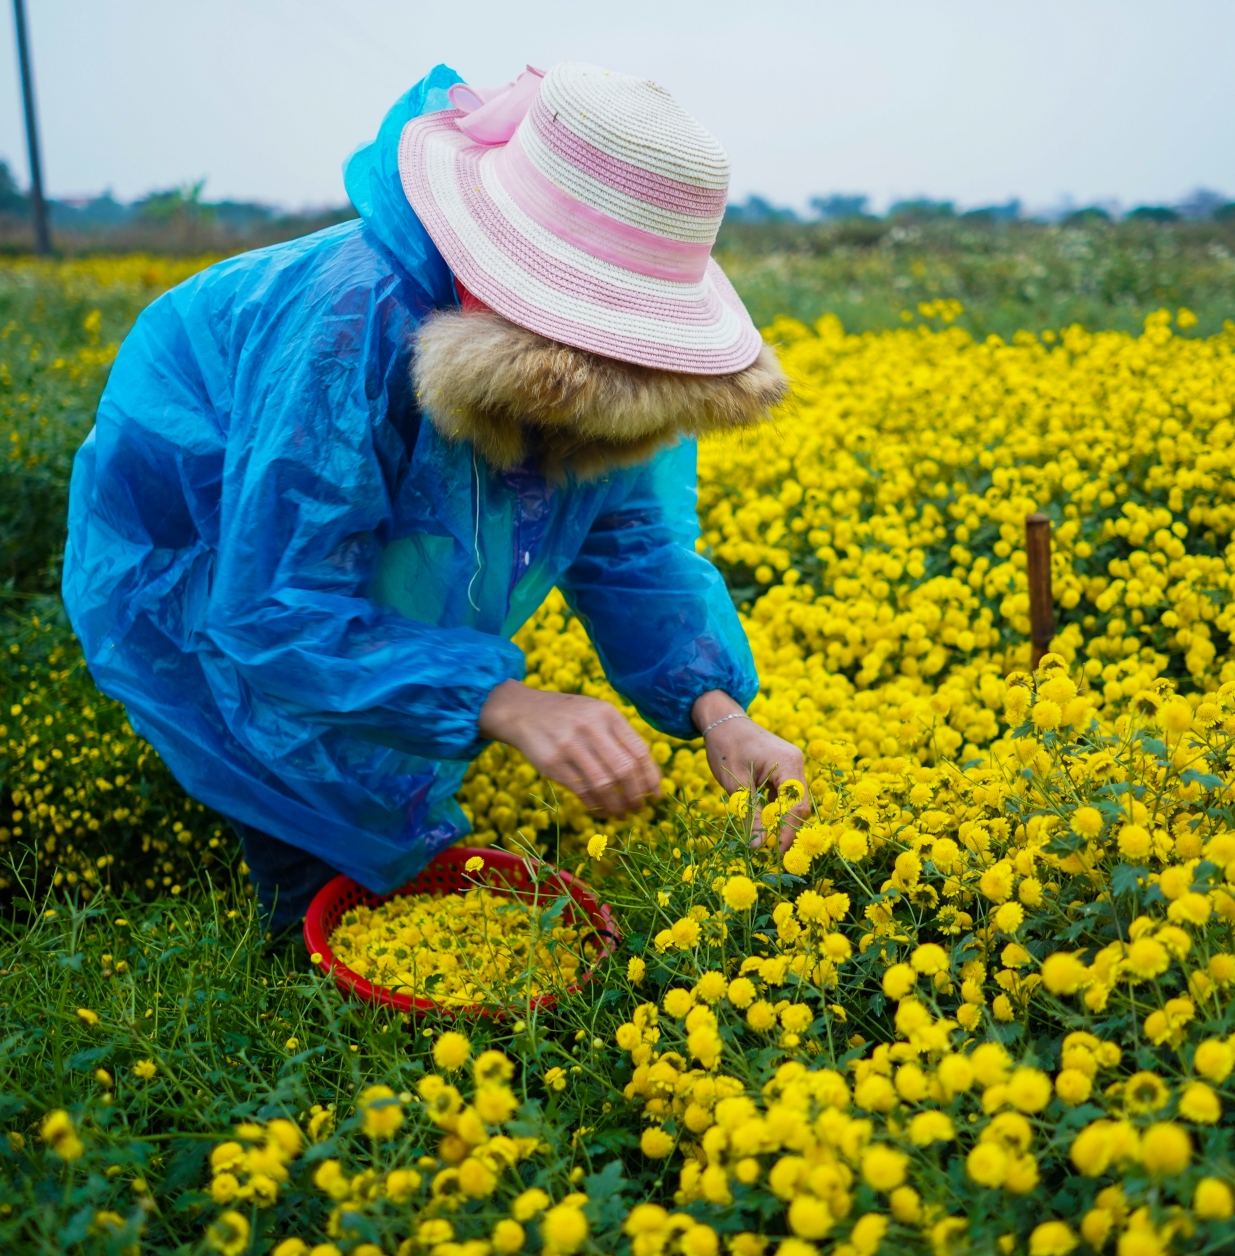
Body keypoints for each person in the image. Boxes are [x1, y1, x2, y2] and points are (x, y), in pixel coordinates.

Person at [62, 62, 809, 924]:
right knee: (310, 819)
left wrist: (717, 710)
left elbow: (627, 538)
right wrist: (503, 701)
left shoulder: (627, 382)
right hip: (205, 558)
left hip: (302, 582)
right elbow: (275, 605)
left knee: (390, 750)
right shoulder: (346, 327)